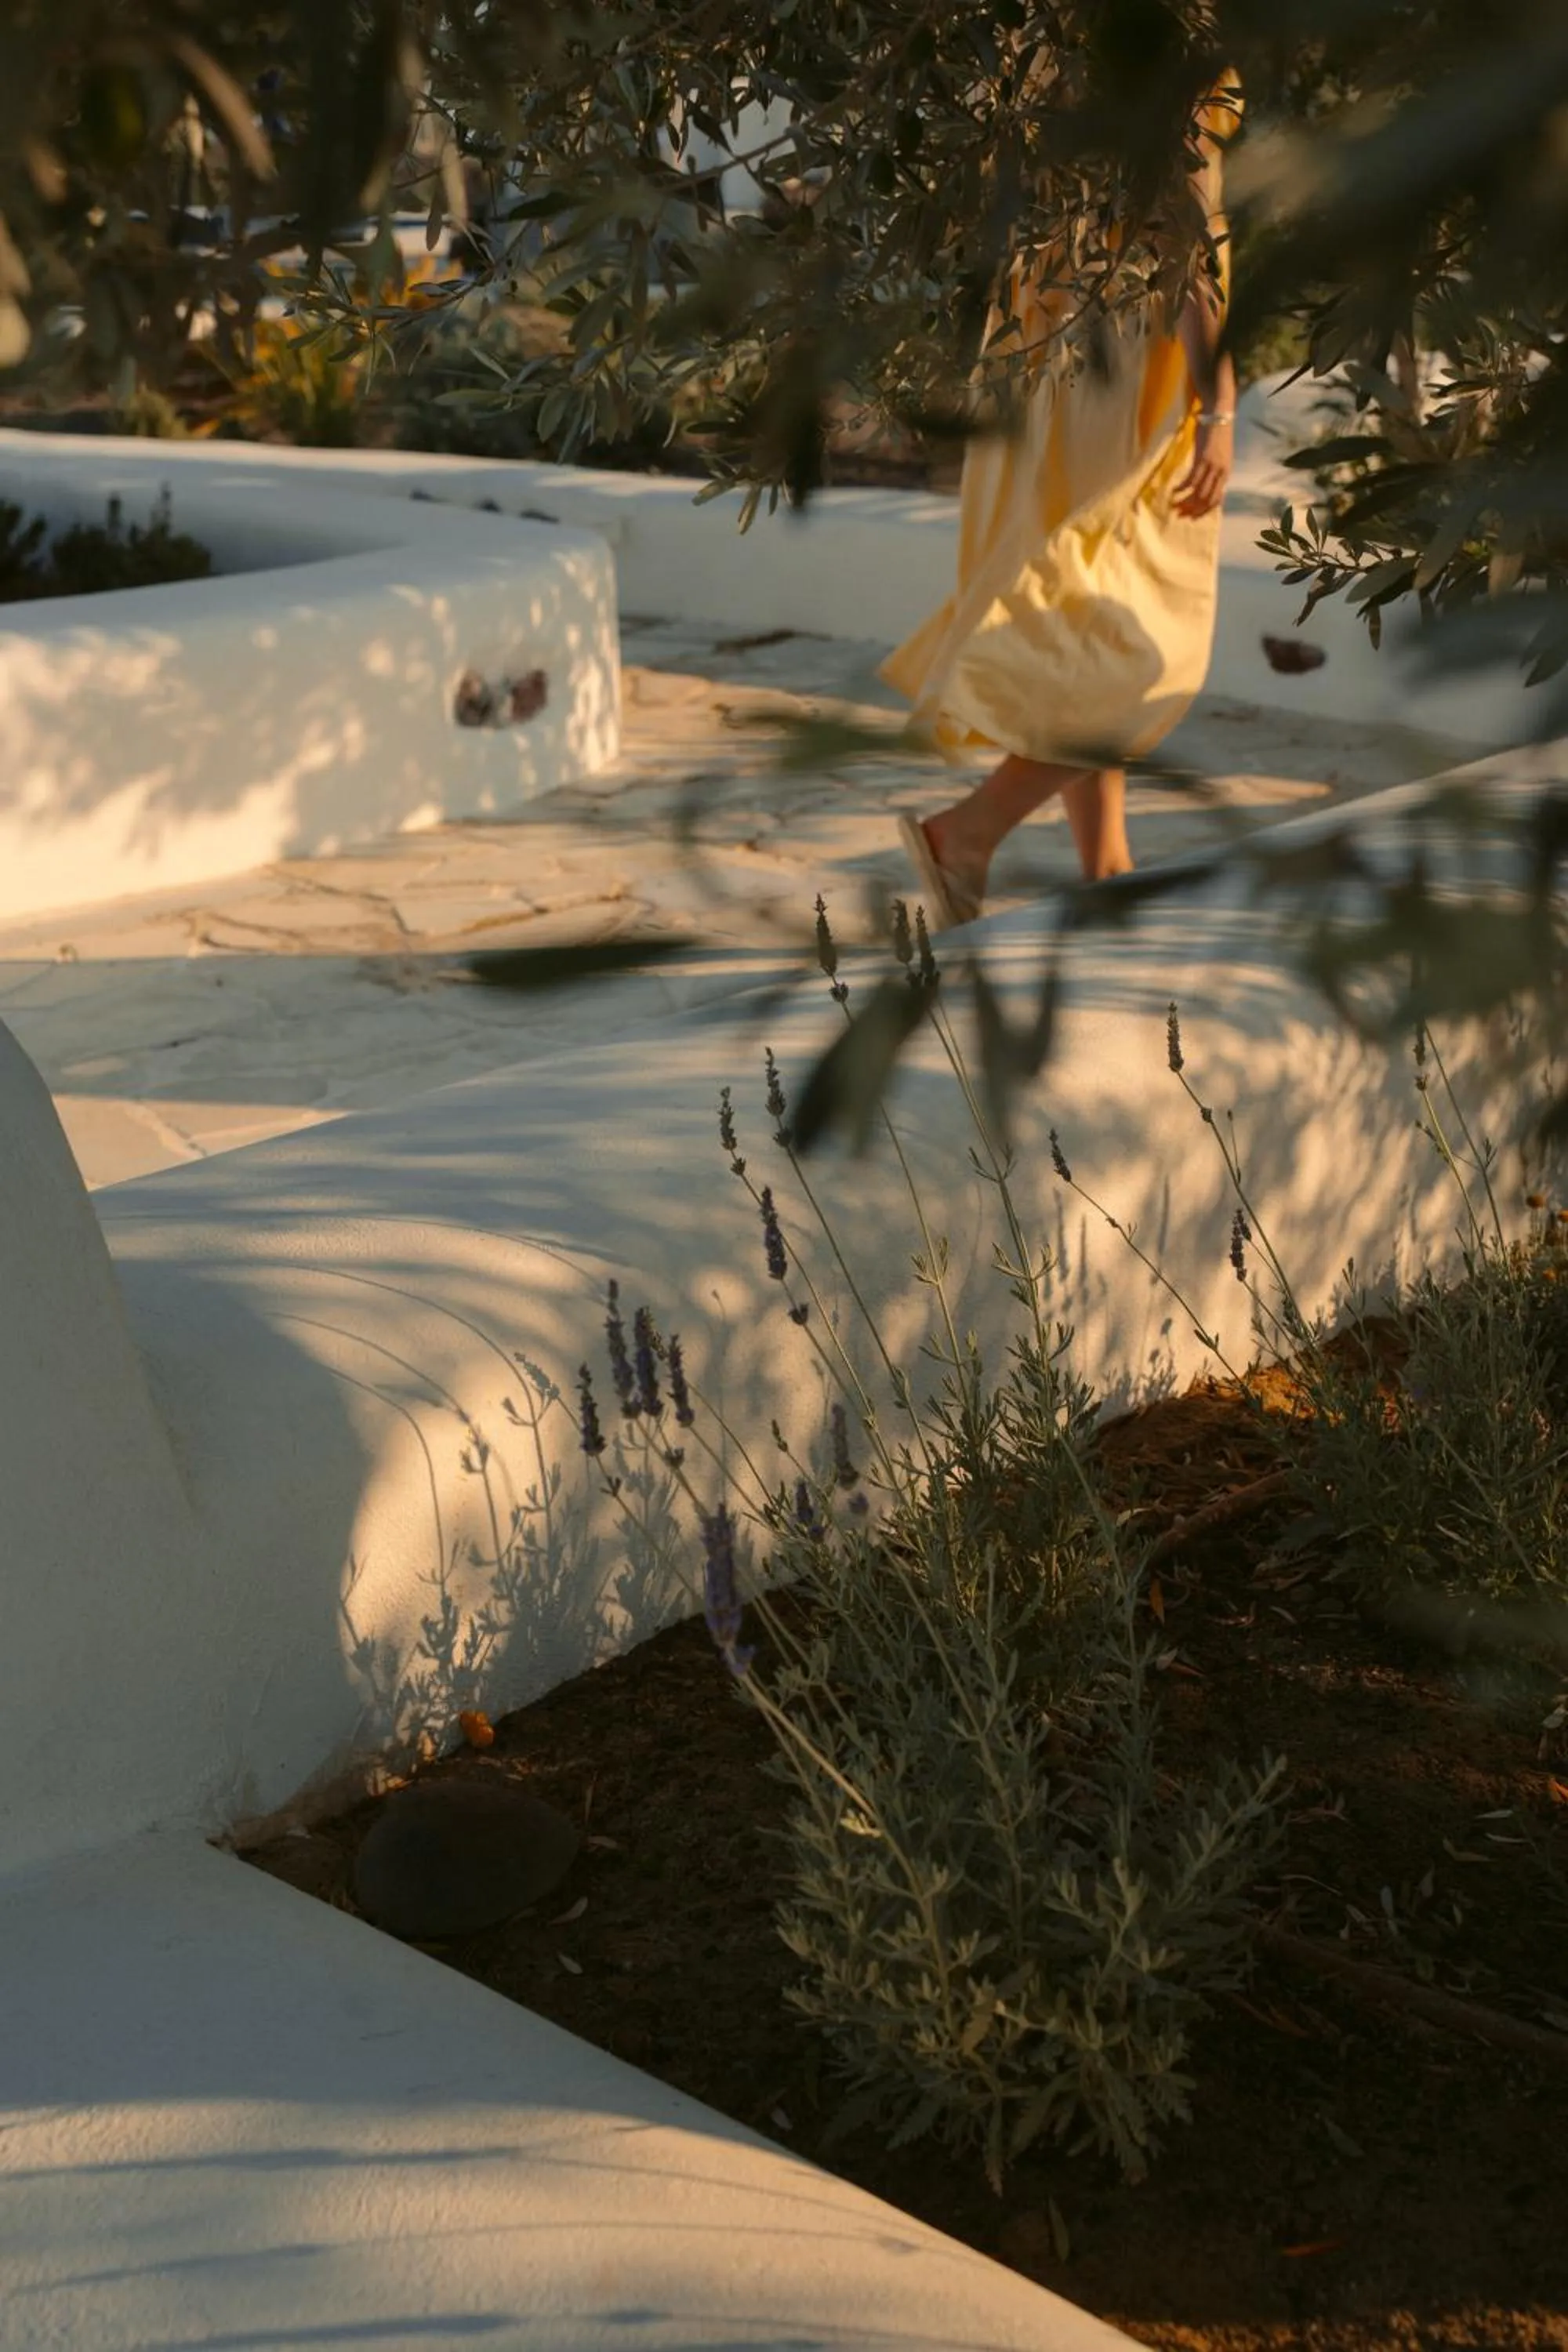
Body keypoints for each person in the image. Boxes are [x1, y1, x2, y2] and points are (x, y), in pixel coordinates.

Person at [882, 74, 1243, 927]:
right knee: (1141, 648)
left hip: (1049, 371)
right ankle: (967, 833)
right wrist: (1218, 410)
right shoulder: (1169, 63)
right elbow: (1188, 259)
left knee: (1091, 623)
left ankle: (1104, 869)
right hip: (1124, 388)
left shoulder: (1047, 59)